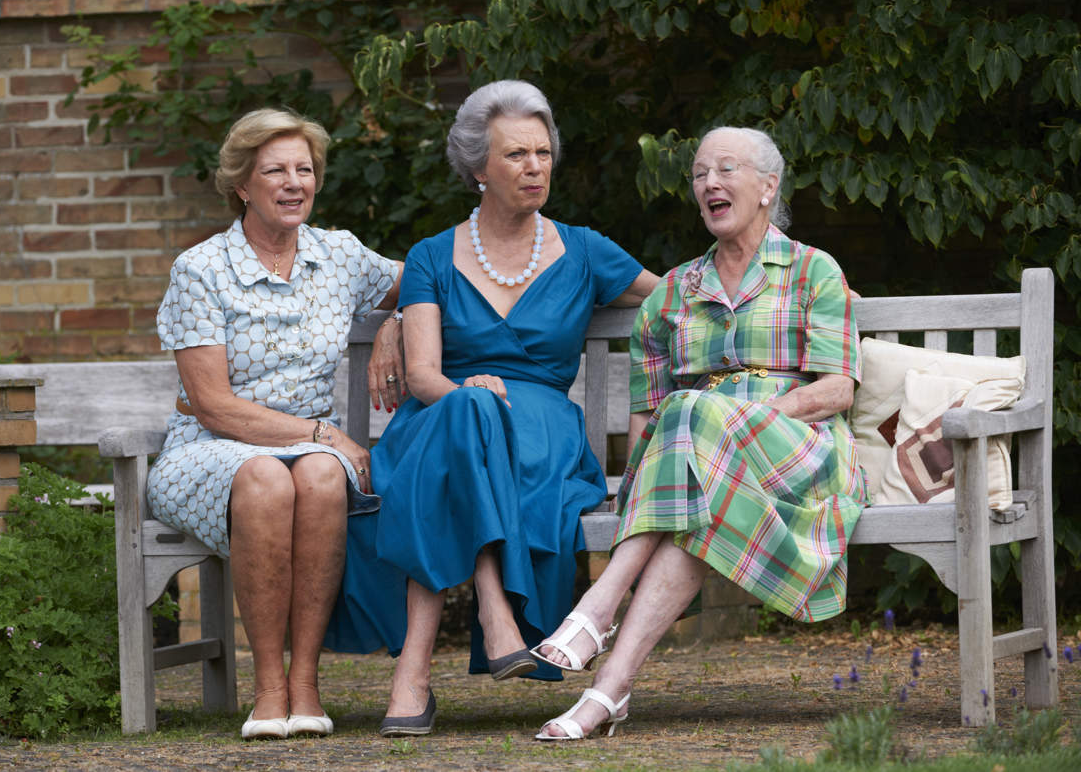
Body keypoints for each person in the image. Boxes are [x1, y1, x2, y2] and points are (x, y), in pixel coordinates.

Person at [322, 80, 659, 737]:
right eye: (515, 156)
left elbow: (683, 296)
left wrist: (789, 274)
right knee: (468, 412)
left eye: (542, 153)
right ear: (478, 169)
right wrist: (430, 355)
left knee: (465, 436)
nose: (534, 167)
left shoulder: (586, 249)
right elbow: (422, 377)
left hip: (538, 434)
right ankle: (494, 611)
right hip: (441, 415)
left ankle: (412, 677)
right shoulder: (431, 257)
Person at [531, 126, 869, 740]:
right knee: (692, 459)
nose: (709, 183)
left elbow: (836, 390)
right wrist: (636, 485)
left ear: (768, 187)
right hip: (696, 468)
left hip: (798, 451)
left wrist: (744, 419)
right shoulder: (673, 293)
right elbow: (646, 413)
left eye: (726, 169)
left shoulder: (814, 271)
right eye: (699, 174)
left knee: (694, 410)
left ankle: (594, 611)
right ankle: (608, 691)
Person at [144, 108, 404, 740]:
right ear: (242, 184)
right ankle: (267, 687)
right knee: (268, 478)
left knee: (316, 479)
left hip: (314, 453)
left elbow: (422, 281)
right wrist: (319, 433)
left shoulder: (338, 255)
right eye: (275, 171)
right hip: (210, 450)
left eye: (304, 169)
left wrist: (395, 321)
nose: (294, 183)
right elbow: (213, 405)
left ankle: (306, 683)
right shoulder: (201, 269)